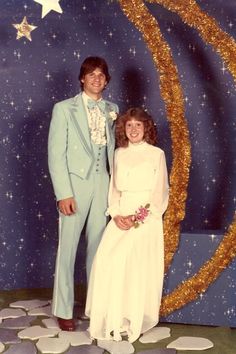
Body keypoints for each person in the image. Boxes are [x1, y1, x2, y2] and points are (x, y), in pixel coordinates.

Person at [85, 107, 169, 343]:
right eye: (129, 125)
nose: (133, 130)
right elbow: (114, 190)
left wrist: (138, 217)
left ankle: (132, 316)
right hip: (121, 215)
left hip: (145, 219)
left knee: (127, 261)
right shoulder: (118, 153)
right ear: (123, 129)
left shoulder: (156, 154)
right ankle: (113, 316)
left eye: (138, 125)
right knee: (105, 260)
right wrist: (115, 214)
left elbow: (160, 193)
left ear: (146, 128)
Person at [48, 56, 118, 331]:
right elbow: (56, 156)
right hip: (74, 187)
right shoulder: (64, 109)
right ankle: (64, 309)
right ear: (82, 78)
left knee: (99, 250)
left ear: (106, 80)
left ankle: (94, 307)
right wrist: (63, 193)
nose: (96, 79)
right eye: (91, 74)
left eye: (101, 75)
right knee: (67, 250)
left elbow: (115, 150)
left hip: (104, 184)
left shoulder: (113, 109)